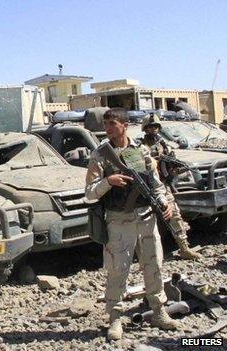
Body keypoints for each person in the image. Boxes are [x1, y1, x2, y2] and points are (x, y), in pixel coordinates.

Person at [85, 108, 180, 341]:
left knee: (154, 265)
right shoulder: (100, 155)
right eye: (106, 123)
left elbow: (155, 184)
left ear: (125, 125)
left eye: (112, 123)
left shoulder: (142, 150)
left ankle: (158, 311)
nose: (107, 128)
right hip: (119, 221)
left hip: (146, 218)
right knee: (118, 270)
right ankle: (115, 318)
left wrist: (164, 202)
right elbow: (89, 193)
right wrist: (109, 181)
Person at [141, 113, 202, 260]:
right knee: (144, 221)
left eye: (155, 126)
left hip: (162, 185)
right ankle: (146, 255)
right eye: (150, 127)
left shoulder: (164, 145)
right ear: (145, 128)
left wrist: (172, 170)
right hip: (144, 187)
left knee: (175, 216)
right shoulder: (140, 146)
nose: (153, 130)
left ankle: (184, 248)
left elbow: (171, 166)